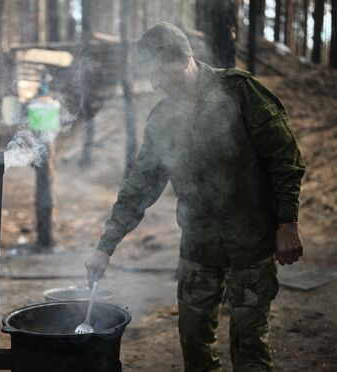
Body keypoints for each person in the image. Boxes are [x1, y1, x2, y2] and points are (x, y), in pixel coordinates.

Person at [85, 22, 305, 372]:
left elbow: (285, 159)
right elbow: (140, 186)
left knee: (249, 348)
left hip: (251, 242)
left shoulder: (240, 92)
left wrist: (288, 222)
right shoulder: (163, 118)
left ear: (182, 59)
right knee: (194, 343)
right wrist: (104, 245)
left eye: (156, 72)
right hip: (198, 249)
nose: (154, 82)